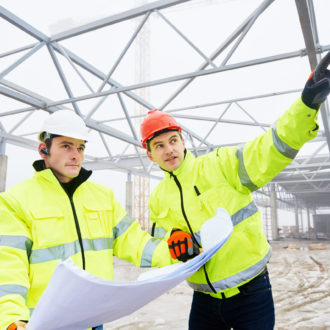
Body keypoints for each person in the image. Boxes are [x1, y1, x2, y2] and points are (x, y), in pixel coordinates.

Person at [140, 52, 330, 330]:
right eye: (159, 145)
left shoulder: (221, 164)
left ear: (183, 141)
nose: (169, 149)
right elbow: (161, 241)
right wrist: (174, 242)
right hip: (204, 300)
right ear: (150, 155)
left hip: (251, 294)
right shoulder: (157, 197)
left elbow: (270, 147)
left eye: (173, 140)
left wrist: (305, 105)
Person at [0, 110, 175, 330]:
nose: (76, 155)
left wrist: (176, 252)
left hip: (92, 321)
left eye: (80, 147)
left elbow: (135, 242)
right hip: (45, 324)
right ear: (43, 149)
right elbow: (8, 268)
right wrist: (11, 320)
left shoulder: (103, 197)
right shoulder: (15, 201)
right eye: (66, 146)